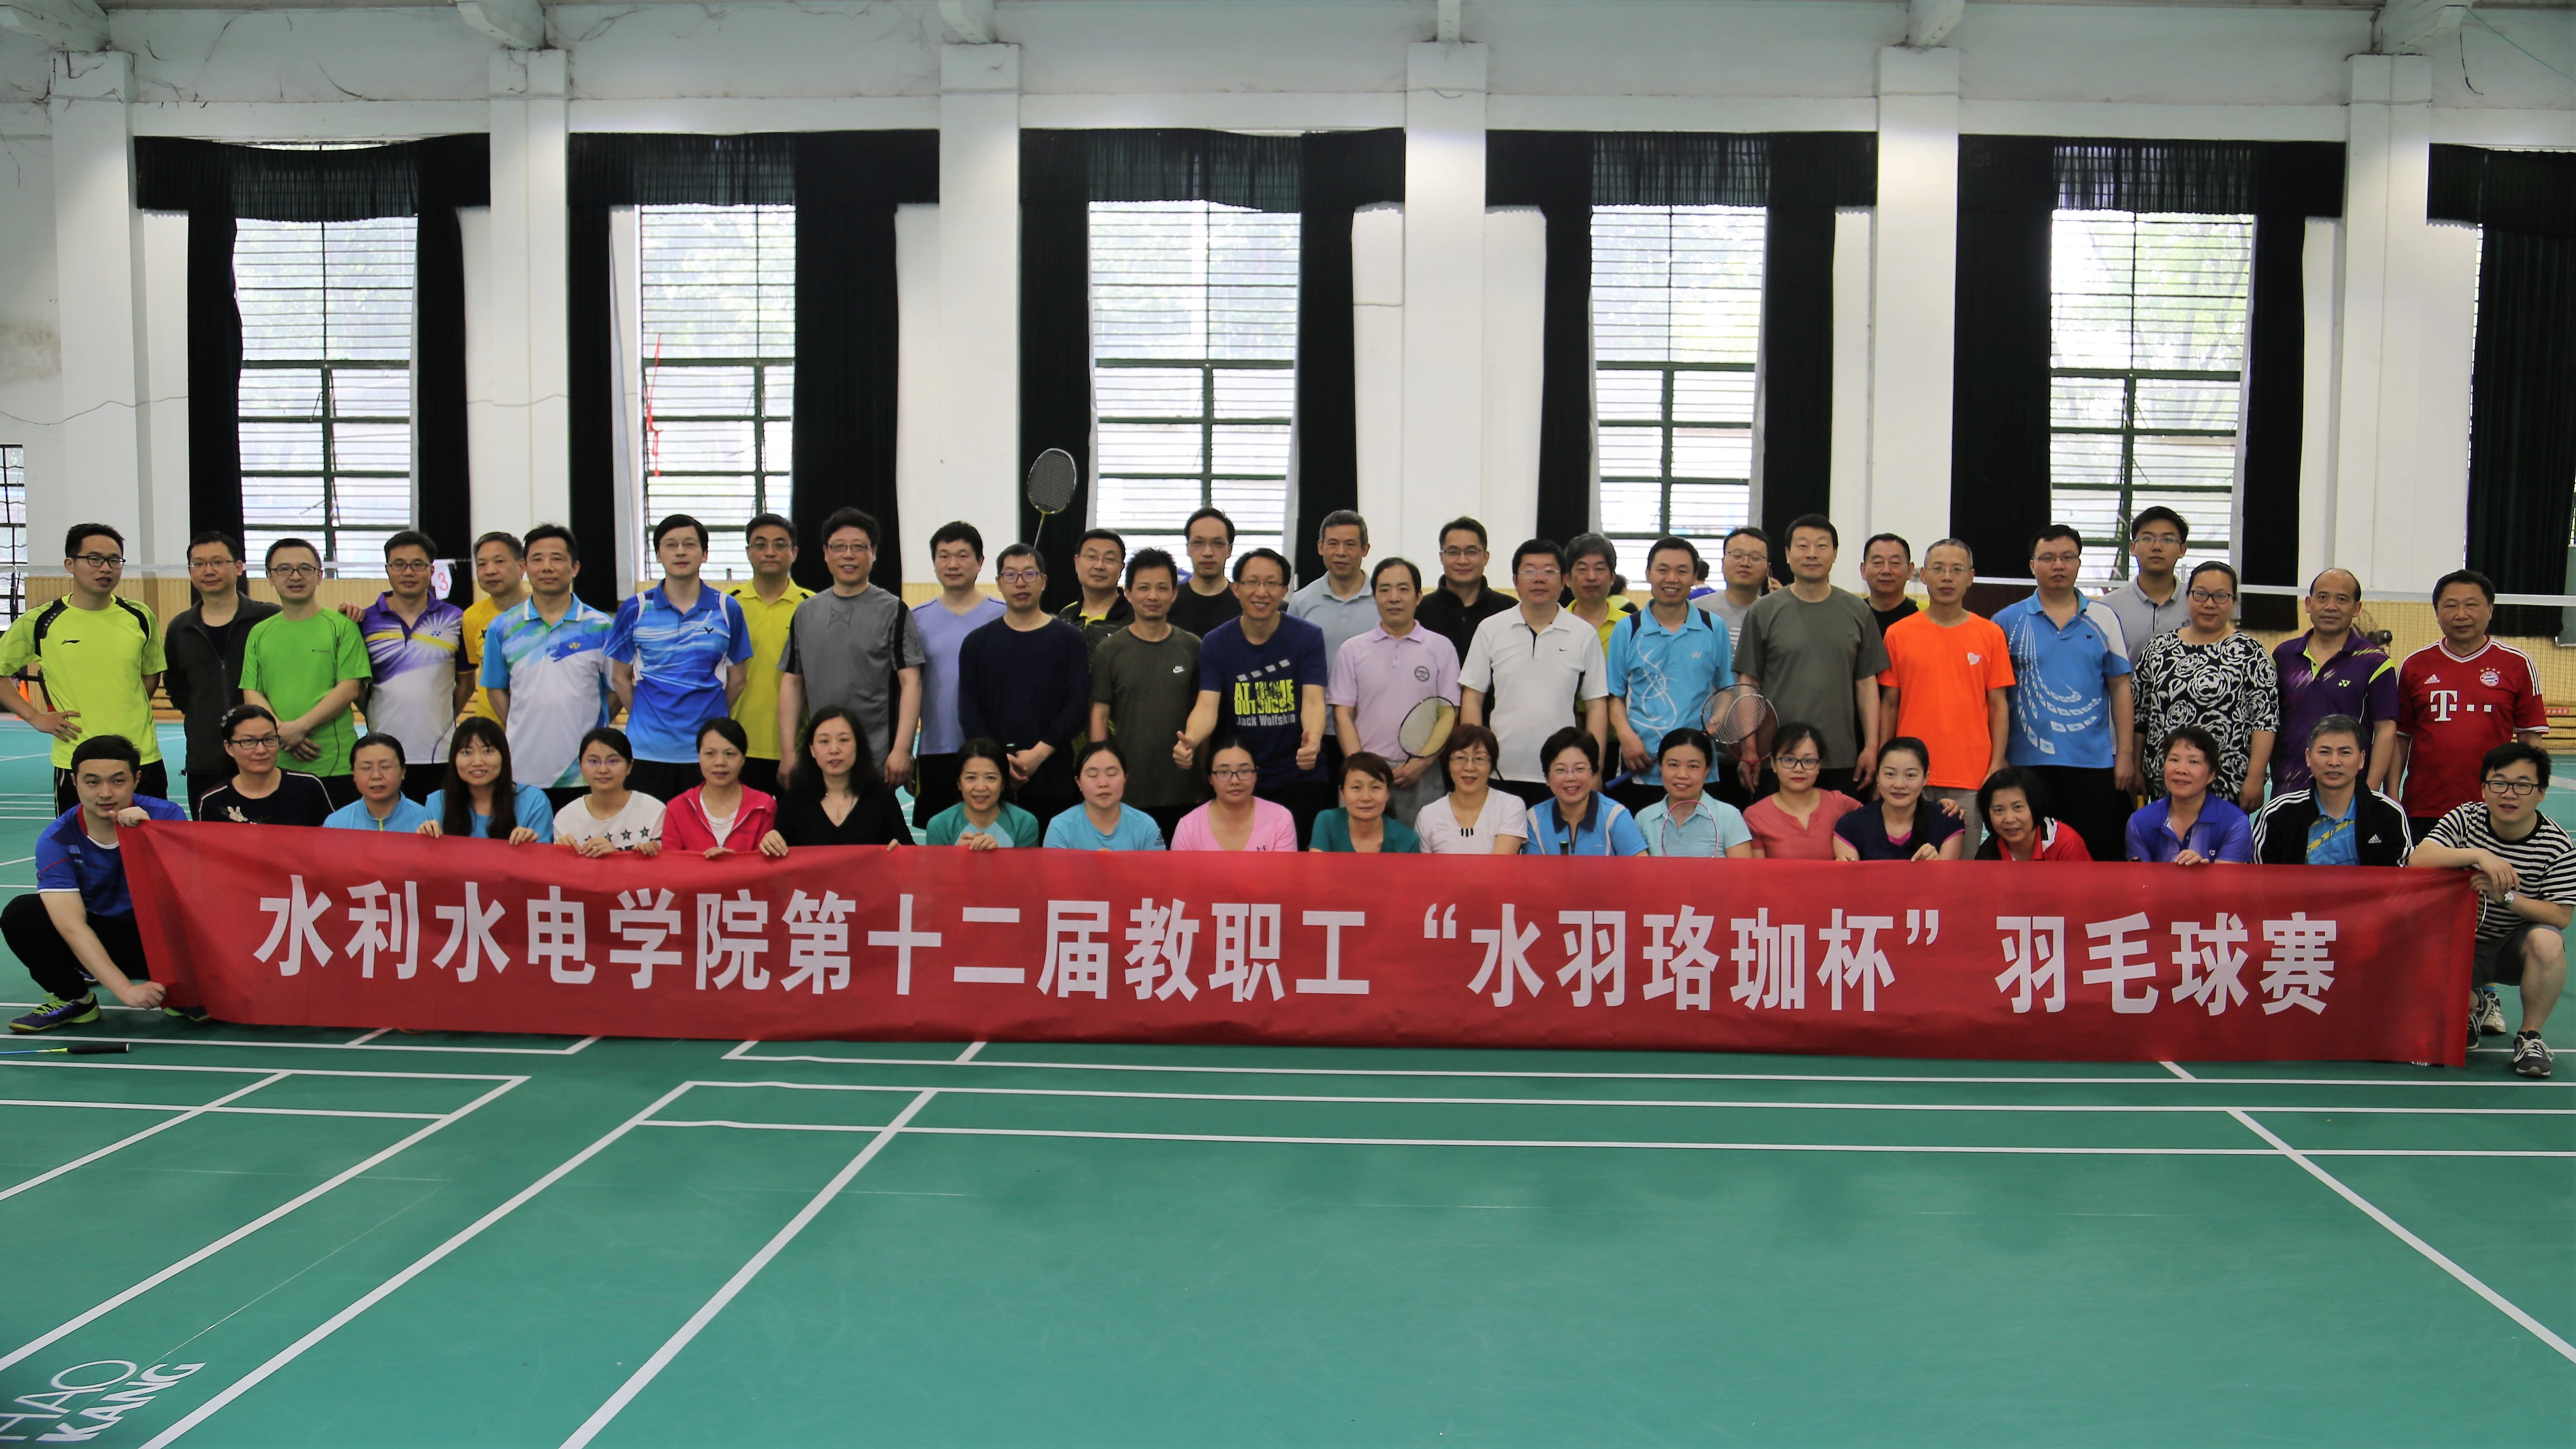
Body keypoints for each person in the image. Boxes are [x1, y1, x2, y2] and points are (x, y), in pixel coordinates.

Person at [5, 735, 191, 1033]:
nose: (106, 793)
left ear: (136, 779)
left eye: (118, 781)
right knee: (22, 913)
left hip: (158, 939)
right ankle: (75, 999)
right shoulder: (57, 839)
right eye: (92, 782)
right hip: (100, 940)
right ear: (74, 781)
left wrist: (151, 836)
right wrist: (126, 991)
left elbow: (191, 895)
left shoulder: (166, 816)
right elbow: (71, 926)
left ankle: (182, 990)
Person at [2409, 740, 2566, 1078]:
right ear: (2484, 789)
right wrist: (2480, 855)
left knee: (2548, 940)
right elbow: (2418, 859)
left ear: (2541, 792)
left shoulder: (2557, 846)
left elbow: (2560, 916)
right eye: (2499, 783)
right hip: (2457, 947)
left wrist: (2505, 897)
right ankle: (2472, 1004)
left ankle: (2530, 1037)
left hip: (2514, 951)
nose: (2509, 794)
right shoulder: (2465, 819)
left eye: (2522, 785)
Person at [2, 524, 170, 816]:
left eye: (114, 560)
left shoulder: (140, 616)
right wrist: (35, 717)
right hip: (77, 761)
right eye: (94, 559)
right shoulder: (41, 621)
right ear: (70, 564)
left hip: (141, 757)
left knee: (148, 844)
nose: (105, 568)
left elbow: (150, 673)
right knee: (83, 844)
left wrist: (126, 707)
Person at [1994, 523, 2137, 863]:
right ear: (2032, 565)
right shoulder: (2006, 621)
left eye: (2067, 557)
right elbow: (1995, 697)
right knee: (2032, 858)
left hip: (2093, 763)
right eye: (2047, 558)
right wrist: (1998, 758)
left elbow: (2120, 688)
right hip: (2026, 763)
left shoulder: (2103, 618)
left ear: (2078, 563)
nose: (2058, 565)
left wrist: (2125, 755)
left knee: (2095, 855)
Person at [1177, 548, 1330, 844]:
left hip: (1298, 774)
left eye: (1272, 583)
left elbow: (1313, 700)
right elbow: (1207, 705)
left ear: (1285, 591)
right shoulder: (1216, 642)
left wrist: (1313, 742)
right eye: (1252, 582)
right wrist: (1191, 741)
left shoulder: (1308, 637)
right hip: (1240, 778)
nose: (1262, 592)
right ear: (1236, 588)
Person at [1876, 537, 2011, 856]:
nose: (1947, 577)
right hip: (1909, 774)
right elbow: (1890, 705)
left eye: (1957, 569)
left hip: (1970, 775)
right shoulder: (1899, 633)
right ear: (1923, 575)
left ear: (1971, 577)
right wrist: (1885, 763)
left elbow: (1998, 705)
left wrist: (1995, 764)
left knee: (1961, 870)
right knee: (1906, 865)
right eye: (1938, 569)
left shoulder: (1990, 634)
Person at [1732, 514, 1886, 793]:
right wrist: (1749, 747)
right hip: (1777, 757)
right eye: (1803, 546)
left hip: (1840, 757)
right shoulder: (1763, 611)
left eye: (1822, 546)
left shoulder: (1858, 611)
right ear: (1788, 554)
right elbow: (1749, 683)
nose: (1812, 554)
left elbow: (1866, 684)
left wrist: (1871, 748)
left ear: (1835, 554)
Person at [608, 513, 754, 803]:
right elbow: (619, 677)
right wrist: (645, 714)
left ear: (704, 554)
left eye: (689, 544)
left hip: (707, 752)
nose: (680, 552)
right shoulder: (635, 609)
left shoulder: (727, 608)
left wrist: (711, 714)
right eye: (671, 545)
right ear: (658, 554)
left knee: (702, 830)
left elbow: (738, 679)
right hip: (647, 750)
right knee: (651, 830)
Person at [777, 507, 924, 792]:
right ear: (825, 553)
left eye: (859, 547)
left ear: (874, 553)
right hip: (820, 758)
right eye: (839, 547)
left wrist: (902, 750)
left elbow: (911, 682)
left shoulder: (893, 611)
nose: (848, 555)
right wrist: (788, 752)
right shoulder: (806, 612)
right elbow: (792, 683)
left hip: (877, 757)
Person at [2393, 569, 2546, 842]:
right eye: (2450, 606)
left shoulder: (2517, 664)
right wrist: (2392, 794)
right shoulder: (2414, 666)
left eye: (2471, 605)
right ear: (2437, 612)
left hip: (2494, 808)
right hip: (2425, 807)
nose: (2461, 614)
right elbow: (2400, 738)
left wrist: (2530, 794)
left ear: (2490, 609)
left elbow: (2531, 739)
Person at [1461, 540, 1609, 806]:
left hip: (1564, 774)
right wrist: (1474, 759)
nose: (1539, 579)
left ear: (1564, 581)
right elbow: (1473, 697)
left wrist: (1594, 768)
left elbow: (1596, 705)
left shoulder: (1584, 634)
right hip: (1498, 770)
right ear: (1515, 581)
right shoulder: (1491, 629)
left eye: (1549, 571)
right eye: (1529, 571)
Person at [479, 524, 615, 811]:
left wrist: (593, 730)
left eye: (557, 559)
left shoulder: (601, 627)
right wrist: (521, 722)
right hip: (523, 770)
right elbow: (495, 690)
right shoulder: (502, 627)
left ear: (575, 567)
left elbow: (616, 691)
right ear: (525, 567)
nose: (547, 567)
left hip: (585, 771)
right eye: (538, 559)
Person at [959, 543, 1092, 827]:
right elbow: (969, 710)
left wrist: (1039, 754)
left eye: (1029, 574)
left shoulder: (1070, 640)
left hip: (1054, 774)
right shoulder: (977, 643)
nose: (1020, 583)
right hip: (992, 780)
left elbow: (1077, 705)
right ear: (999, 583)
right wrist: (998, 761)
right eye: (1010, 575)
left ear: (1043, 581)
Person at [2131, 560, 2279, 813]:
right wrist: (2136, 768)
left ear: (2233, 601)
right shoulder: (2159, 649)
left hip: (2228, 785)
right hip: (2165, 784)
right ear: (2187, 597)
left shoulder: (2251, 653)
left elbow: (2264, 722)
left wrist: (2256, 778)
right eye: (2200, 594)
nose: (2209, 604)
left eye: (2220, 596)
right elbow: (2140, 717)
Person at [239, 537, 371, 809]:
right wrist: (280, 732)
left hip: (334, 764)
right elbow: (252, 691)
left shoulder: (342, 627)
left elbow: (349, 687)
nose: (295, 576)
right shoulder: (259, 633)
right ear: (270, 577)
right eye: (284, 569)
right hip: (276, 763)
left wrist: (300, 727)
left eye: (305, 569)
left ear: (320, 575)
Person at [1603, 538, 1731, 817]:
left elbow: (1727, 689)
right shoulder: (1628, 628)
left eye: (1682, 571)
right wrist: (1626, 737)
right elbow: (1615, 695)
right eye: (1663, 570)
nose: (1672, 579)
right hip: (1641, 767)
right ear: (1648, 574)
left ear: (1694, 576)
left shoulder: (1713, 627)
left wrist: (1716, 721)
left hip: (1697, 770)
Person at [1328, 556, 1459, 831]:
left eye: (1403, 589)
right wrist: (1362, 769)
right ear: (1374, 596)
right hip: (1365, 774)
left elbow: (1448, 714)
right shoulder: (1352, 650)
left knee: (1421, 852)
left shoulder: (1441, 648)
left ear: (1419, 596)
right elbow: (1342, 715)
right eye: (1385, 590)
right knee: (1360, 851)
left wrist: (1420, 764)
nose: (1394, 598)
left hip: (1423, 772)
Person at [1089, 548, 1203, 844]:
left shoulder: (1193, 647)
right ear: (1128, 593)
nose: (1153, 596)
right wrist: (1102, 772)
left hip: (1183, 786)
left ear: (1174, 594)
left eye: (1162, 588)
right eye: (1143, 588)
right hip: (1128, 787)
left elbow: (1204, 710)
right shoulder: (1110, 650)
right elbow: (1099, 714)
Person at [163, 530, 279, 816]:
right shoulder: (180, 628)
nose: (209, 570)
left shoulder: (270, 619)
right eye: (199, 564)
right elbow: (178, 690)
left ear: (238, 567)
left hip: (267, 756)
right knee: (209, 840)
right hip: (206, 760)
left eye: (218, 562)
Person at [356, 531, 470, 802]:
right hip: (383, 754)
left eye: (418, 564)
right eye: (399, 564)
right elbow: (358, 687)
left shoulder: (455, 619)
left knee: (437, 824)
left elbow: (466, 682)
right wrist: (373, 715)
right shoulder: (365, 621)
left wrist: (442, 717)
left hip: (439, 753)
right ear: (388, 569)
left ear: (431, 570)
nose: (409, 572)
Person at [909, 520, 1005, 826]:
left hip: (992, 749)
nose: (953, 564)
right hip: (936, 747)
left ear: (980, 562)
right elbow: (908, 688)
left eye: (963, 556)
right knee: (940, 839)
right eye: (944, 556)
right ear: (934, 562)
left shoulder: (1004, 615)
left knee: (995, 839)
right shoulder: (915, 620)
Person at [2272, 568, 2398, 796]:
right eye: (2322, 598)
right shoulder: (2283, 657)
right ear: (2309, 604)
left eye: (2342, 599)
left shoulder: (2375, 663)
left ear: (2356, 608)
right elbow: (2270, 723)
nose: (2331, 606)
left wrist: (2369, 792)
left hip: (2349, 793)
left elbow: (2386, 730)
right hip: (2289, 790)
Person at [727, 512, 811, 799]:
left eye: (780, 545)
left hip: (796, 747)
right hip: (736, 744)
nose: (770, 552)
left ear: (794, 552)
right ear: (749, 552)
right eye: (760, 545)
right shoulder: (727, 605)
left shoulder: (812, 607)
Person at [2253, 715, 2409, 866]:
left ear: (2362, 759)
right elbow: (2259, 877)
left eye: (2345, 753)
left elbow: (2401, 879)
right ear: (2308, 757)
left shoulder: (2389, 815)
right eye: (2324, 752)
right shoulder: (2278, 814)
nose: (2334, 762)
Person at [776, 706, 913, 848]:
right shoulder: (794, 801)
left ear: (858, 745)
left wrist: (901, 850)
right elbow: (780, 855)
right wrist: (772, 844)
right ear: (812, 750)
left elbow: (911, 852)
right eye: (824, 742)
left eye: (843, 740)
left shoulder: (882, 798)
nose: (834, 750)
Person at [2124, 726, 2252, 865]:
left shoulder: (2234, 822)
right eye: (2174, 760)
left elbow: (2227, 878)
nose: (2181, 770)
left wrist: (2201, 872)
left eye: (2193, 762)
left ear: (2211, 775)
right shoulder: (2140, 822)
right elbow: (2141, 878)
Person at [660, 717, 787, 858]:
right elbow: (672, 864)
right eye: (710, 754)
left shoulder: (764, 806)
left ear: (743, 758)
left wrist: (729, 864)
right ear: (699, 756)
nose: (720, 762)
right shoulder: (678, 808)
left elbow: (766, 864)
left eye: (730, 754)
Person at [420, 716, 554, 843]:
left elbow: (543, 858)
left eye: (488, 751)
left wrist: (530, 847)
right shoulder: (437, 803)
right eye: (467, 752)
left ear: (504, 756)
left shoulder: (534, 802)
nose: (477, 762)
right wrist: (427, 842)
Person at [1742, 722, 1864, 860]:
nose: (1799, 769)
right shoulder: (1756, 816)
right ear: (1774, 764)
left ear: (1819, 766)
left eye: (1808, 761)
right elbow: (1758, 871)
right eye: (1789, 760)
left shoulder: (1841, 805)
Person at [197, 703, 333, 826]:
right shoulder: (213, 801)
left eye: (269, 739)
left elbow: (329, 838)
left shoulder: (308, 787)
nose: (261, 750)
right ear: (229, 747)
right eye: (249, 742)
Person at [1833, 736, 1965, 861]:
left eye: (1910, 775)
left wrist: (1937, 865)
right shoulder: (1850, 826)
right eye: (1890, 774)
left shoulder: (1948, 821)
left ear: (1925, 778)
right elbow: (1852, 876)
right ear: (1878, 776)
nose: (1899, 785)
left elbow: (1947, 877)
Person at [1520, 728, 1646, 857]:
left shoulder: (1615, 816)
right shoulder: (1534, 819)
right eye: (1561, 770)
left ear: (1594, 774)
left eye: (1580, 768)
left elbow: (1640, 866)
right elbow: (1533, 869)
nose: (1571, 778)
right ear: (1547, 778)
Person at [1633, 728, 1753, 859]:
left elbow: (1742, 871)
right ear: (1661, 766)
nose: (1682, 775)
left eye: (1693, 766)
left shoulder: (1729, 816)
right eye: (1673, 765)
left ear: (1707, 769)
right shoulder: (1644, 819)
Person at [1413, 723, 1528, 856]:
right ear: (1448, 764)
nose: (1469, 767)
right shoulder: (1428, 815)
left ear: (1492, 766)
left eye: (1479, 759)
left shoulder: (1510, 806)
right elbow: (1425, 867)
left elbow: (1501, 864)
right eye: (1460, 758)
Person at [550, 726, 664, 855]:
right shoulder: (565, 818)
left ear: (629, 766)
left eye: (613, 761)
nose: (603, 770)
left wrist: (616, 857)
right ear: (580, 766)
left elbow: (665, 865)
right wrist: (563, 856)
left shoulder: (654, 811)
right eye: (594, 761)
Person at [1170, 737, 1298, 852]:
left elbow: (1284, 871)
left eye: (1244, 771)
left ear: (1256, 774)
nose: (1235, 781)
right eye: (1224, 772)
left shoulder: (1280, 819)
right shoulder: (1188, 827)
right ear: (1210, 778)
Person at [1417, 516, 1514, 666]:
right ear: (1442, 557)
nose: (1462, 561)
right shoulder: (1419, 611)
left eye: (1471, 552)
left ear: (1486, 557)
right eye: (1453, 552)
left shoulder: (1508, 610)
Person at [2102, 507, 2193, 666]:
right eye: (2147, 539)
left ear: (2182, 550)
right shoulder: (2108, 607)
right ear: (2132, 548)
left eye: (2168, 540)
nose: (2157, 547)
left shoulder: (2197, 604)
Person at [1288, 510, 1379, 663]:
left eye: (1350, 545)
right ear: (1320, 547)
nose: (1341, 552)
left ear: (1365, 549)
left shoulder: (1382, 600)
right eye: (1333, 544)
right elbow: (1291, 656)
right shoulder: (1301, 601)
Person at [1044, 740, 1165, 851]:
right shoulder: (1060, 828)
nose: (1103, 783)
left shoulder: (1146, 826)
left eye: (1111, 774)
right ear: (1078, 782)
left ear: (1125, 778)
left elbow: (1157, 868)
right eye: (1093, 775)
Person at [920, 739, 1042, 849]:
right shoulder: (940, 826)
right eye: (971, 778)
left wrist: (998, 856)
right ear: (959, 783)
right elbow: (937, 868)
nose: (980, 787)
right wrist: (957, 856)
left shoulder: (1024, 823)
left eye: (991, 778)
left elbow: (1025, 867)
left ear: (1003, 784)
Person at [459, 531, 528, 723]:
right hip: (489, 727)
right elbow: (477, 667)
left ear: (522, 566)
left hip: (532, 725)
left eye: (499, 562)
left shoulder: (542, 614)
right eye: (482, 564)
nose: (490, 571)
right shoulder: (471, 617)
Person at [1310, 751, 1422, 853]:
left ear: (1388, 793)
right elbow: (1317, 867)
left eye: (1375, 787)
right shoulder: (1327, 822)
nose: (1366, 798)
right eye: (1356, 788)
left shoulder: (1407, 840)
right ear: (1342, 792)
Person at [1974, 766, 2093, 861]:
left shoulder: (2066, 844)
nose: (2009, 819)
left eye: (2018, 807)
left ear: (2035, 805)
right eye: (1999, 810)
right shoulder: (1987, 853)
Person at [324, 734, 433, 834]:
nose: (376, 776)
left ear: (403, 771)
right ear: (354, 774)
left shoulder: (427, 822)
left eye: (385, 767)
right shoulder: (336, 824)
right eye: (366, 768)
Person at [1167, 506, 1245, 639]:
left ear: (1229, 550)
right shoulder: (1168, 603)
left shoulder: (1245, 604)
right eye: (1198, 543)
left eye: (1218, 543)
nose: (1208, 553)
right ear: (1188, 548)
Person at [1692, 525, 1771, 654]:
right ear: (1723, 563)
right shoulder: (1696, 611)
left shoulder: (1774, 616)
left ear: (1768, 569)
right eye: (1737, 556)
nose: (1745, 563)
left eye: (1755, 558)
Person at [1058, 528, 1136, 651]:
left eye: (1109, 559)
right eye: (1092, 557)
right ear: (1077, 563)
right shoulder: (1066, 616)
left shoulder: (1136, 618)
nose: (1099, 566)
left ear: (1121, 568)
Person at [1563, 533, 1638, 650]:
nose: (1591, 577)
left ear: (1612, 578)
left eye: (1599, 569)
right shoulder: (1555, 625)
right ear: (1568, 579)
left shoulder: (1632, 626)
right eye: (1582, 569)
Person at [1859, 533, 1919, 638]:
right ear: (1863, 570)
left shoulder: (1925, 615)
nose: (1886, 571)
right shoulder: (1852, 616)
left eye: (1895, 563)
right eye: (1878, 563)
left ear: (1910, 570)